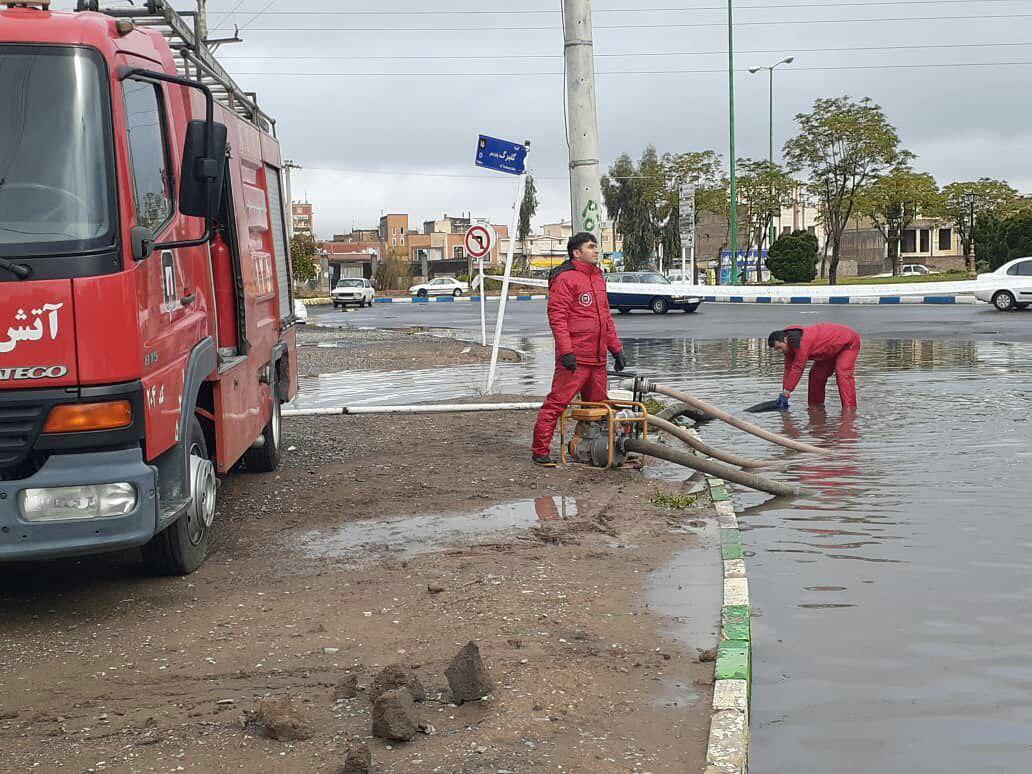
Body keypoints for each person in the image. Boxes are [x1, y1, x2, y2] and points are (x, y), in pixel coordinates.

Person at [531, 232, 626, 466]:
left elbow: (606, 318)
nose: (596, 251)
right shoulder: (566, 279)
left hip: (597, 358)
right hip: (575, 358)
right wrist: (566, 352)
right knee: (557, 403)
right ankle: (540, 451)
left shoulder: (597, 277)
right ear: (576, 252)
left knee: (599, 409)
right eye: (591, 247)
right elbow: (558, 317)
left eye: (596, 247)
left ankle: (593, 450)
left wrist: (616, 349)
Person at [768, 323, 862, 410]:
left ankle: (850, 411)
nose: (779, 351)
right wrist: (784, 392)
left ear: (785, 339)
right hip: (829, 350)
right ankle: (816, 408)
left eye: (779, 347)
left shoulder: (802, 343)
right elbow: (788, 369)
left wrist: (787, 391)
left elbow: (798, 367)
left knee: (842, 374)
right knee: (816, 376)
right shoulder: (789, 347)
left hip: (848, 342)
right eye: (777, 349)